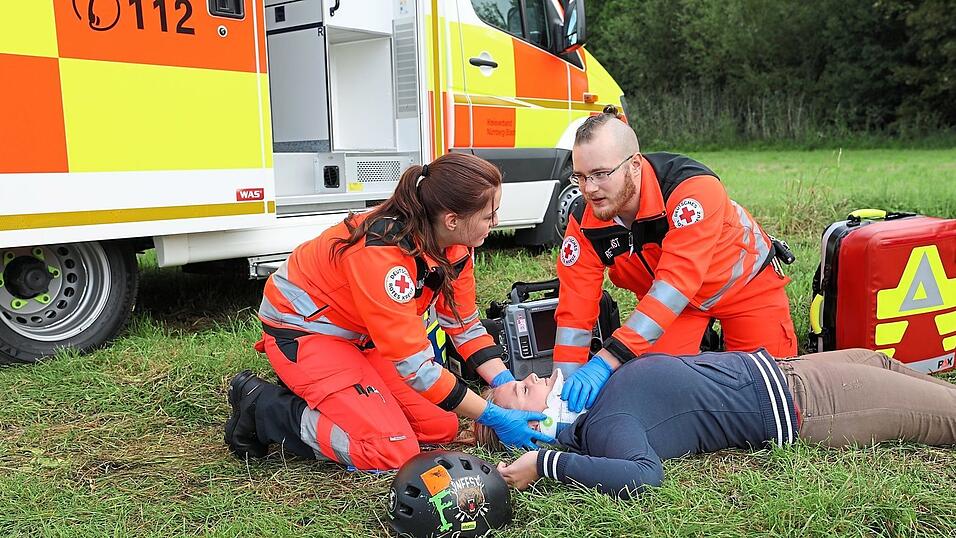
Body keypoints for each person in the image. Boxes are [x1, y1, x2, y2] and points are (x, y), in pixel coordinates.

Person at [224, 153, 553, 471]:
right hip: (304, 334)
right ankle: (266, 409)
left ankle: (332, 391)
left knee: (441, 425)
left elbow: (464, 326)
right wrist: (494, 416)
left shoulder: (456, 246)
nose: (496, 222)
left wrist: (507, 384)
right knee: (392, 449)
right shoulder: (384, 253)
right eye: (489, 215)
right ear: (452, 220)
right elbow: (417, 369)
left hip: (363, 339)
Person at [554, 105, 799, 413]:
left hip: (745, 289)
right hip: (673, 309)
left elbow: (676, 282)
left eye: (601, 174)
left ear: (634, 165)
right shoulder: (585, 222)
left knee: (773, 396)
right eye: (580, 176)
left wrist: (606, 360)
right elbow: (575, 311)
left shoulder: (691, 190)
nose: (589, 189)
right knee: (653, 396)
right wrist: (561, 391)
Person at [473, 348, 956, 499]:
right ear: (536, 423)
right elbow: (643, 475)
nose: (532, 375)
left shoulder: (597, 401)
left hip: (793, 368)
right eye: (521, 389)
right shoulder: (605, 425)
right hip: (815, 402)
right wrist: (546, 461)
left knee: (884, 361)